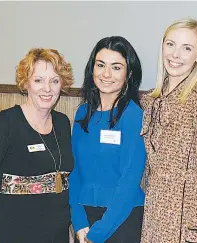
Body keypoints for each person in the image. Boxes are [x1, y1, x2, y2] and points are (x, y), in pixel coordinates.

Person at [0, 48, 75, 243]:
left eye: (54, 81)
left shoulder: (63, 123)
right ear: (26, 83)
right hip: (11, 234)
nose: (47, 89)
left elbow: (63, 183)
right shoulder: (4, 124)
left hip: (56, 236)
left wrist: (69, 233)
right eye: (38, 80)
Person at [140, 18, 197, 243]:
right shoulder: (151, 99)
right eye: (171, 44)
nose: (176, 55)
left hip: (186, 223)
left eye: (186, 48)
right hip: (153, 214)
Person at [69, 36, 146, 243]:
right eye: (101, 65)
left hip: (121, 221)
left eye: (116, 67)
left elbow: (129, 181)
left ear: (129, 74)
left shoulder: (133, 116)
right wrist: (79, 222)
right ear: (92, 69)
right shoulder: (82, 113)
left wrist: (99, 233)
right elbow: (74, 171)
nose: (106, 74)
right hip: (85, 221)